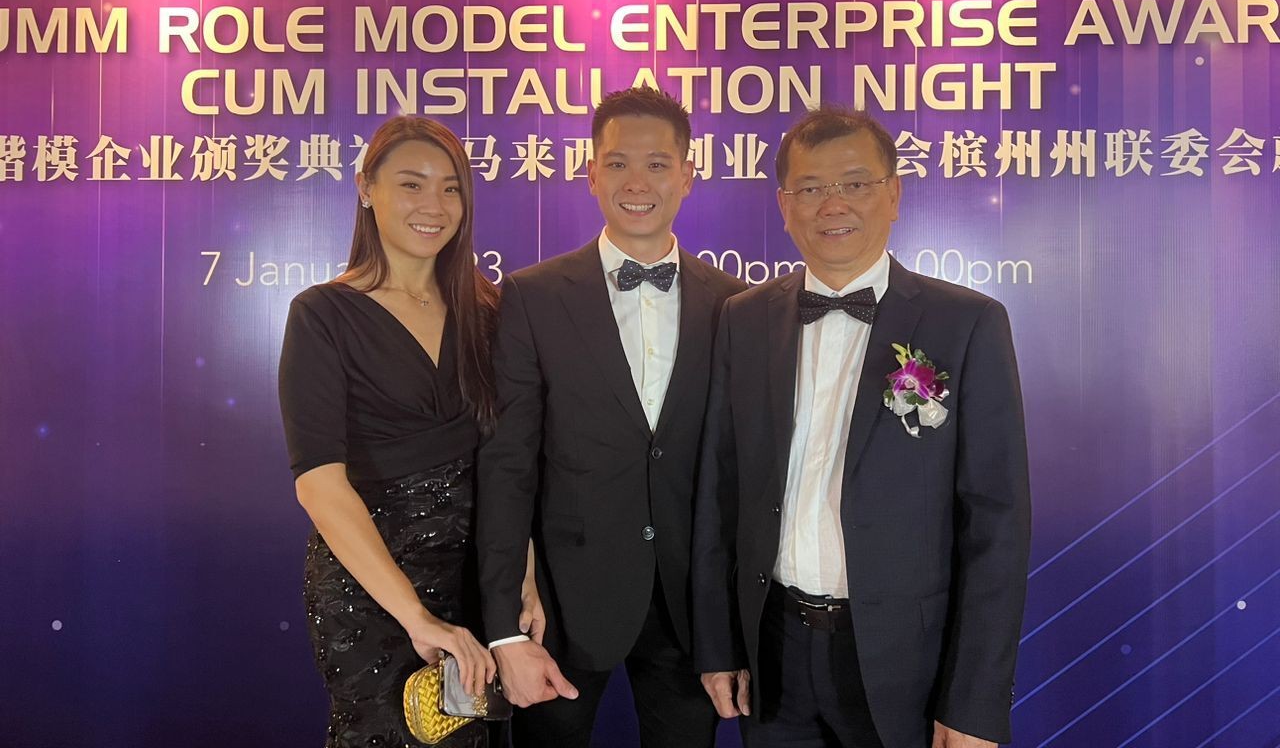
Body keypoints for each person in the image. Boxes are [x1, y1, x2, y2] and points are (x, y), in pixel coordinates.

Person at [692, 107, 1031, 748]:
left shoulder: (966, 324)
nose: (833, 204)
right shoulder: (743, 319)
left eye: (855, 183)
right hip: (772, 655)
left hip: (907, 665)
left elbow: (996, 526)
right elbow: (719, 491)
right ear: (784, 205)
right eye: (810, 188)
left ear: (893, 194)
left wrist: (973, 704)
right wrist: (719, 644)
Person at [475, 87, 748, 748]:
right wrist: (504, 627)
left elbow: (743, 472)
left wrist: (736, 626)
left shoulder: (736, 305)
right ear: (591, 172)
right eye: (619, 163)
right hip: (561, 608)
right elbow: (508, 464)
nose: (637, 182)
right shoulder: (534, 297)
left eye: (657, 164)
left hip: (691, 611)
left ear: (688, 174)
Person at [279, 117, 523, 748]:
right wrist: (414, 616)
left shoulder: (491, 311)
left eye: (451, 188)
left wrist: (522, 575)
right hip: (373, 591)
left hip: (481, 585)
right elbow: (318, 484)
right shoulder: (322, 315)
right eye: (412, 184)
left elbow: (513, 462)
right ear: (366, 189)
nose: (433, 205)